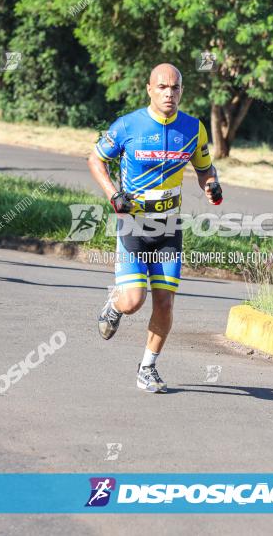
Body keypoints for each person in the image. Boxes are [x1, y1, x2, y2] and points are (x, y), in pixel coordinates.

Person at [87, 62, 223, 393]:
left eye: (175, 88)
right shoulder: (127, 125)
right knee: (134, 301)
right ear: (149, 89)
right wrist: (113, 194)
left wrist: (211, 185)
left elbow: (205, 168)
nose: (169, 93)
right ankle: (115, 302)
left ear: (182, 92)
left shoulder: (193, 128)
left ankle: (147, 368)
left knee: (164, 302)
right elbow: (95, 160)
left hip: (169, 226)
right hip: (133, 222)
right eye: (162, 87)